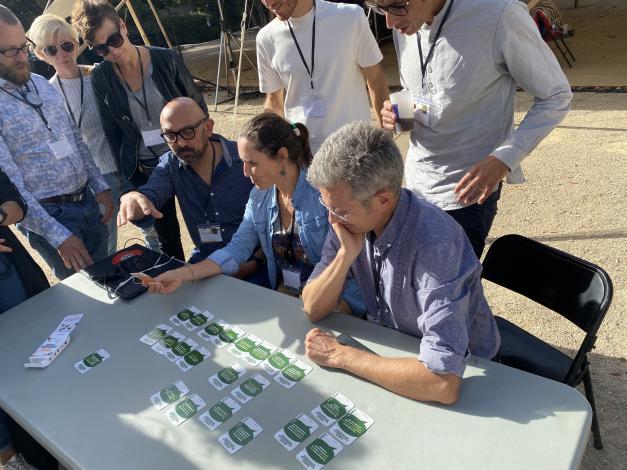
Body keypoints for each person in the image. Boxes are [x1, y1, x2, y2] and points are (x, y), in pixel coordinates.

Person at [302, 122, 500, 404]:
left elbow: (442, 382)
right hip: (398, 350)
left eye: (340, 210)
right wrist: (345, 255)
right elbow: (312, 307)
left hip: (475, 375)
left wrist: (340, 354)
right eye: (328, 207)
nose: (332, 219)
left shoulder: (435, 245)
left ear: (383, 199)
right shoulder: (350, 222)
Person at [374, 0, 572, 257]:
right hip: (414, 186)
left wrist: (505, 158)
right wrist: (399, 113)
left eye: (396, 7)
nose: (388, 21)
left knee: (442, 291)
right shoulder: (405, 24)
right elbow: (425, 95)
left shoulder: (499, 14)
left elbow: (556, 96)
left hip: (466, 193)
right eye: (379, 9)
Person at [144, 113, 363, 314]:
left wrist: (341, 308)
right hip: (286, 295)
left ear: (281, 156)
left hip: (332, 301)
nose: (245, 172)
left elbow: (354, 266)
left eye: (252, 163)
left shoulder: (325, 197)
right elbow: (238, 248)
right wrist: (183, 274)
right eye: (242, 162)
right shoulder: (259, 198)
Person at [71, 0, 207, 261]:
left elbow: (198, 107)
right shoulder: (102, 77)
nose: (112, 51)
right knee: (166, 237)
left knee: (205, 225)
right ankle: (177, 284)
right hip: (146, 168)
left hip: (186, 157)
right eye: (101, 49)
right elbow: (112, 132)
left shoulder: (165, 59)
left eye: (114, 39)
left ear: (123, 26)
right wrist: (126, 179)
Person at [0, 4, 112, 281]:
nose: (22, 56)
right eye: (10, 51)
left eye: (22, 46)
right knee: (85, 296)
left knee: (110, 278)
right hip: (51, 216)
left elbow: (74, 138)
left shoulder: (40, 83)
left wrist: (100, 186)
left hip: (86, 201)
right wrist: (58, 236)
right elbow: (10, 186)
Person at [28, 13, 129, 256]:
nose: (62, 54)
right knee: (106, 241)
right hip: (95, 177)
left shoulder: (102, 75)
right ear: (41, 54)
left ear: (76, 43)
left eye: (67, 45)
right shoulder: (46, 95)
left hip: (127, 163)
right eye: (51, 50)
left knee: (150, 226)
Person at [117, 98, 256, 272]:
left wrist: (256, 262)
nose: (181, 143)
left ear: (208, 128)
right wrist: (133, 197)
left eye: (188, 132)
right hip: (204, 260)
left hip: (251, 261)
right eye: (170, 135)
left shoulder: (245, 159)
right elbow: (151, 194)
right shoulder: (170, 165)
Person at [256, 0, 389, 152]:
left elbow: (376, 79)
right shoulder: (265, 38)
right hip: (302, 154)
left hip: (355, 151)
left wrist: (384, 137)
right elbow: (274, 101)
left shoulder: (349, 17)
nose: (267, 2)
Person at [0, 171, 49, 470]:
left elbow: (15, 205)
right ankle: (9, 457)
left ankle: (46, 432)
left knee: (35, 350)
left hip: (9, 275)